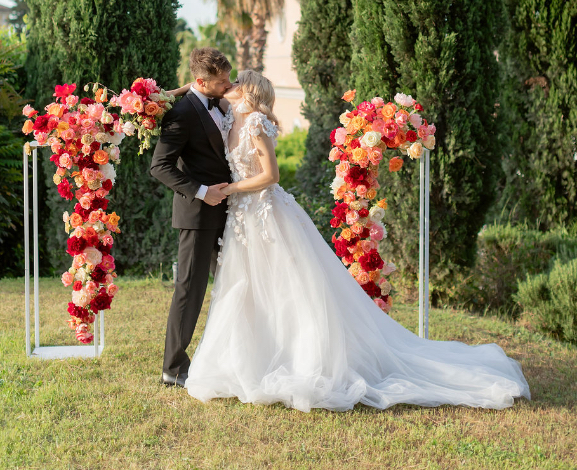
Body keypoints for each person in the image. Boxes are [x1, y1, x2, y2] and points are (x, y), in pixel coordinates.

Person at [184, 69, 531, 412]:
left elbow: (270, 175)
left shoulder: (257, 121)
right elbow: (197, 92)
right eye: (223, 82)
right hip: (241, 218)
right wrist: (186, 87)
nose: (227, 86)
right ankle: (252, 359)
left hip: (265, 213)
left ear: (248, 90)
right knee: (248, 287)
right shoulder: (228, 118)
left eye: (235, 82)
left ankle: (300, 359)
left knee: (286, 288)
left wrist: (229, 189)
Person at [150, 47, 234, 387]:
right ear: (201, 81)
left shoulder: (210, 99)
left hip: (227, 213)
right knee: (190, 289)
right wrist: (202, 191)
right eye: (221, 81)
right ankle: (173, 368)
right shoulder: (181, 113)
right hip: (198, 215)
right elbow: (160, 167)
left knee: (233, 284)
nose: (228, 85)